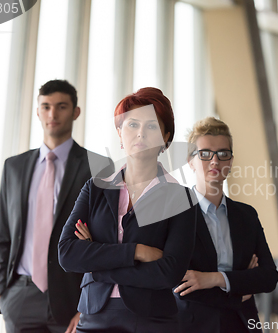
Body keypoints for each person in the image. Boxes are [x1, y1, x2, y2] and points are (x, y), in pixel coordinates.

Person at [58, 87, 197, 333]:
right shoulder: (95, 188)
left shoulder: (180, 197)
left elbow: (169, 273)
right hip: (92, 318)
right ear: (120, 134)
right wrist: (137, 252)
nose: (140, 133)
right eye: (132, 124)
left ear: (166, 137)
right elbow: (68, 253)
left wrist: (98, 266)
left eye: (152, 126)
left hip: (152, 322)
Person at [0, 79, 113, 333]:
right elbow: (2, 235)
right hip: (19, 297)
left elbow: (107, 241)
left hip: (73, 298)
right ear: (37, 111)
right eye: (45, 106)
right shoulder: (13, 167)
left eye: (61, 106)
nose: (52, 114)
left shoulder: (99, 167)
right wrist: (2, 292)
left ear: (76, 112)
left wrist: (86, 306)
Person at [174, 117, 278, 333]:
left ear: (230, 162)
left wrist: (211, 279)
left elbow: (269, 277)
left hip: (243, 325)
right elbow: (180, 285)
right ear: (190, 161)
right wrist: (240, 287)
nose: (215, 161)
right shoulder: (174, 216)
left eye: (223, 154)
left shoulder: (247, 215)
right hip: (193, 326)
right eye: (205, 154)